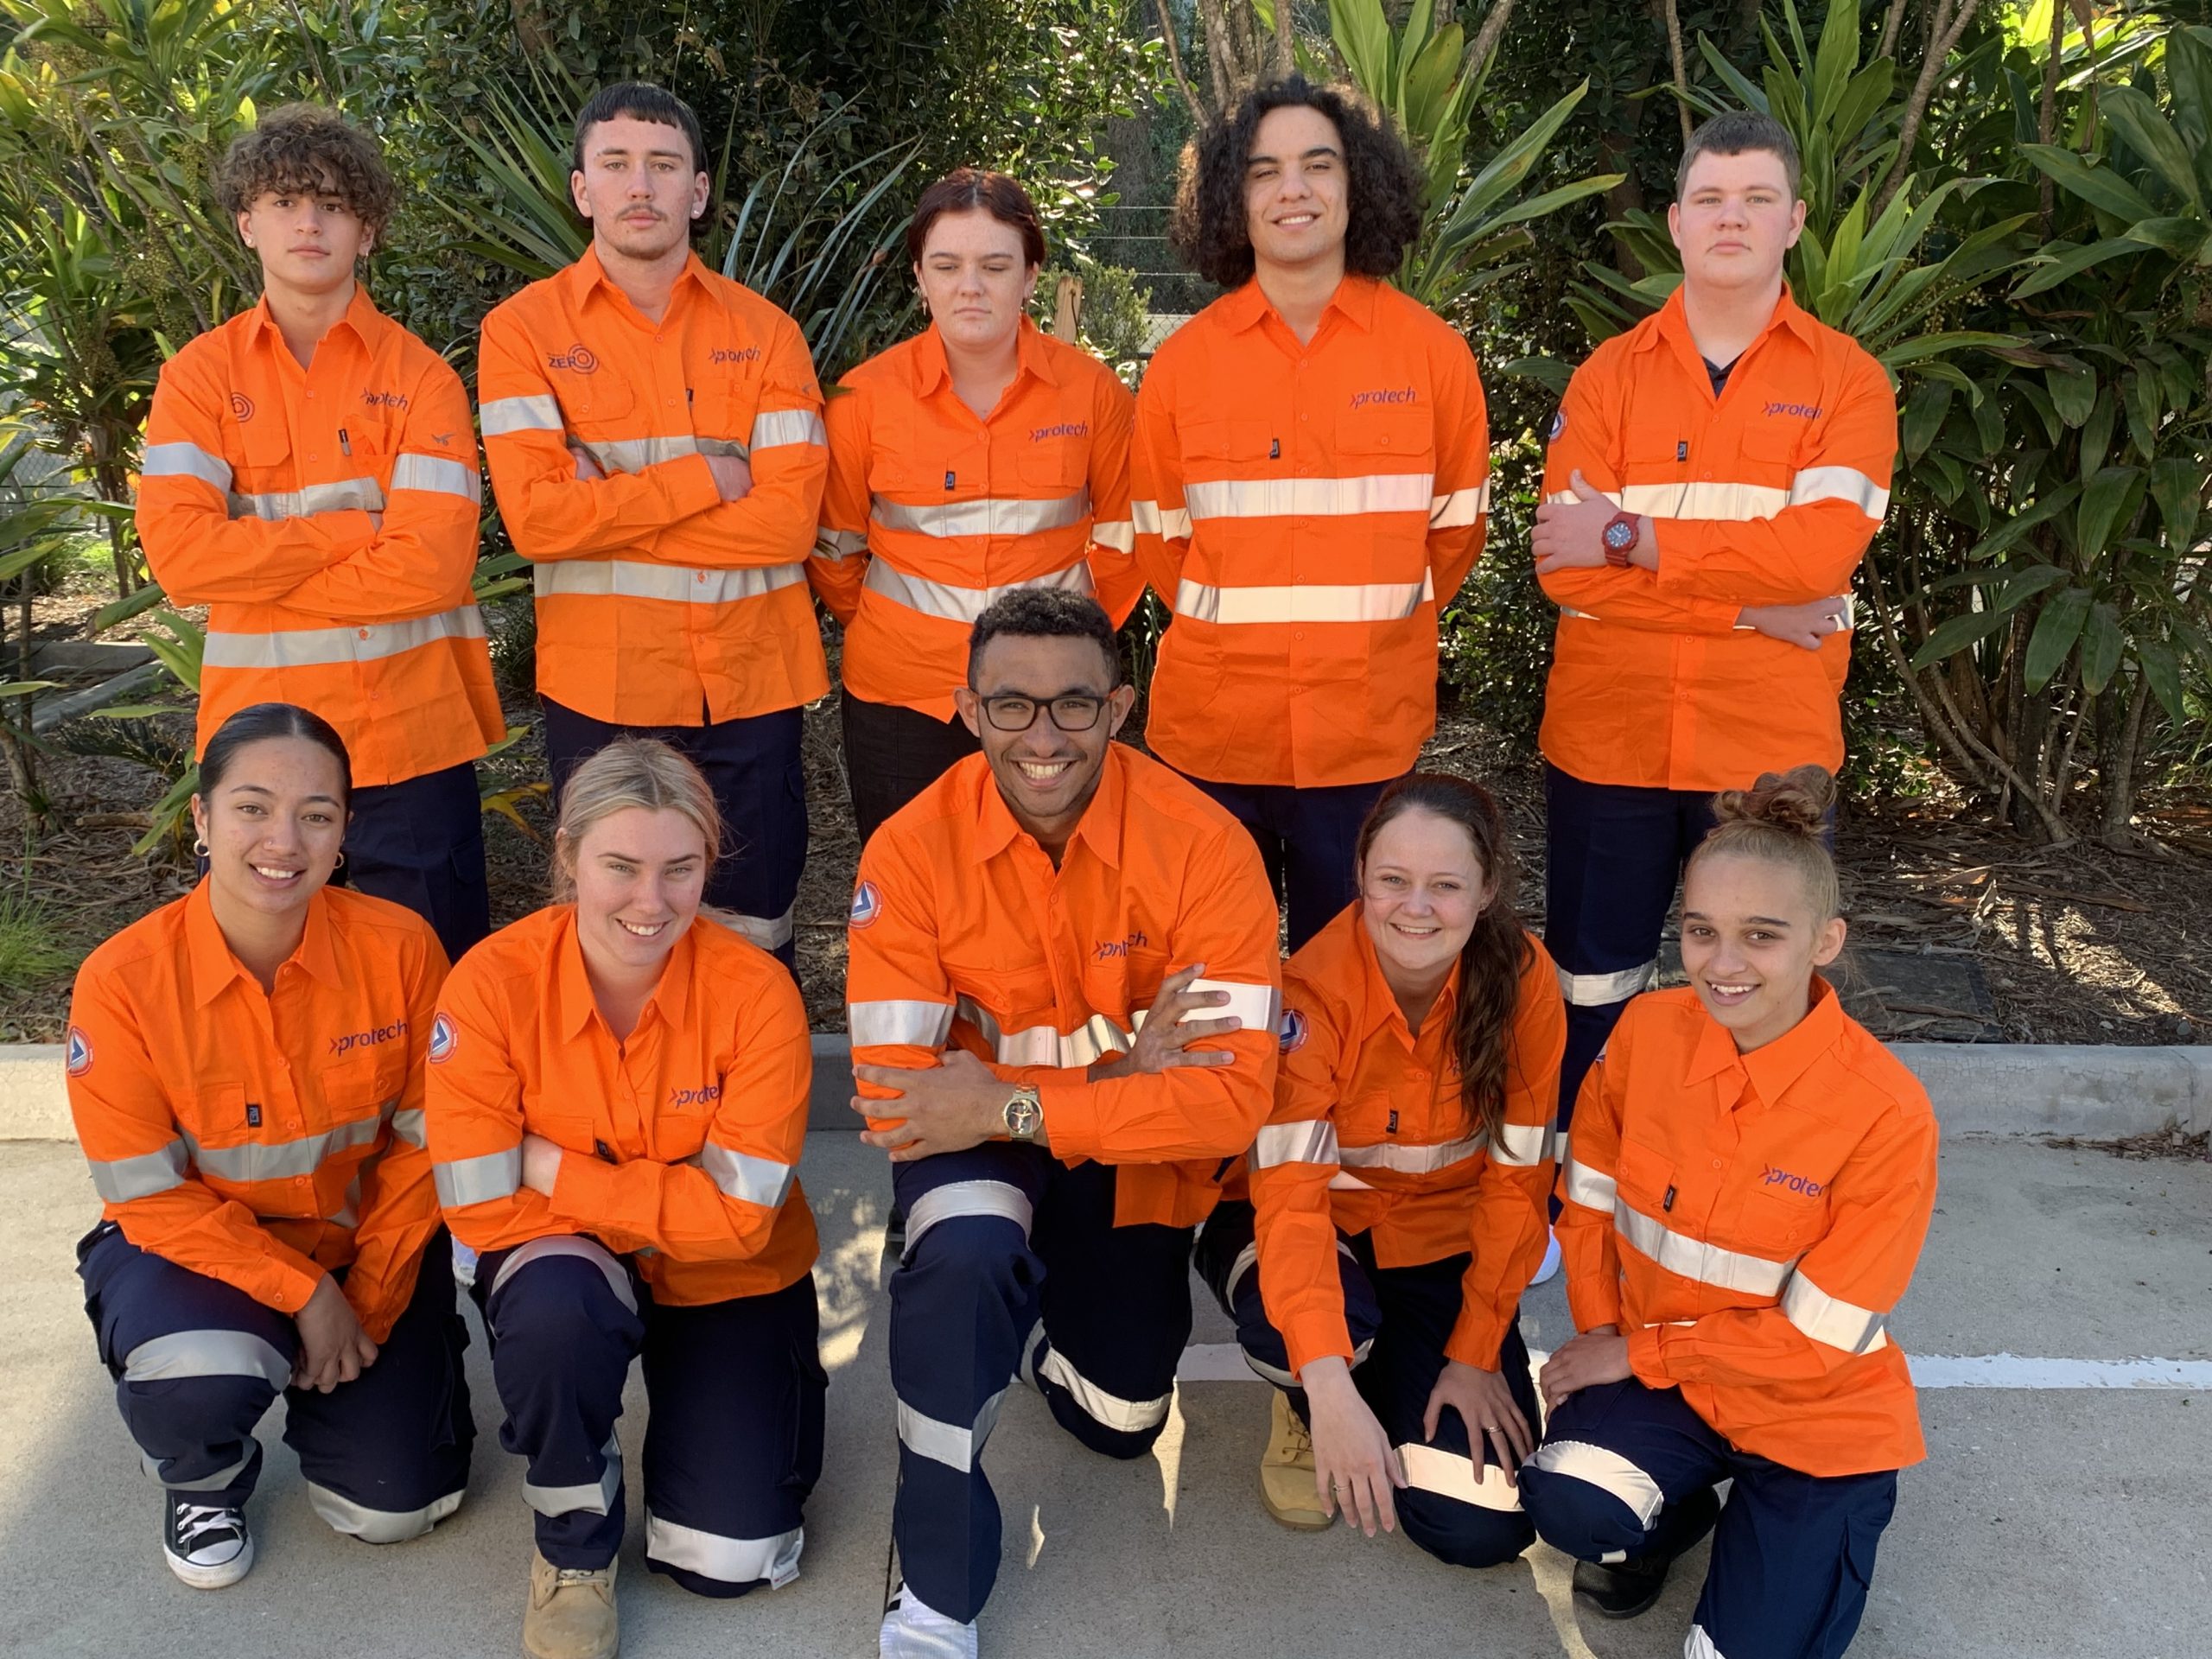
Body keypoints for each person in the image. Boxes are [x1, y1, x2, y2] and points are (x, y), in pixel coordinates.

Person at [846, 588, 1281, 1657]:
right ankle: (937, 1586)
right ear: (966, 708)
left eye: (1075, 706)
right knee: (963, 1262)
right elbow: (905, 1104)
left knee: (1121, 1417)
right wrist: (1121, 1076)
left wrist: (1009, 1099)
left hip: (1091, 1144)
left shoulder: (1208, 847)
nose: (1043, 737)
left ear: (1121, 707)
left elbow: (1231, 1096)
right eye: (1012, 706)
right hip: (1000, 1144)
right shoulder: (908, 852)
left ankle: (1047, 1318)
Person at [1529, 109, 1896, 1172]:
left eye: (1755, 198)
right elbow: (1564, 567)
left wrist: (1634, 537)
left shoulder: (1847, 381)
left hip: (1767, 748)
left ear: (1793, 222)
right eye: (1709, 199)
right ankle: (1582, 1180)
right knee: (1593, 977)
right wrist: (1742, 607)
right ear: (1678, 226)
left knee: (1763, 978)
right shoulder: (1607, 378)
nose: (1730, 217)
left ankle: (1757, 1179)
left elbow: (1815, 561)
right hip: (1610, 737)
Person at [1518, 766, 1937, 1659]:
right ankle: (1668, 1517)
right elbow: (1586, 1212)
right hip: (1670, 1385)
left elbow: (1821, 1340)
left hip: (1811, 1414)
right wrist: (1607, 1348)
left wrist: (1637, 1352)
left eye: (1761, 936)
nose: (1722, 963)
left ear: (1825, 941)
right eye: (1701, 932)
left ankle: (1789, 1529)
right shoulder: (1646, 1034)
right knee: (1571, 1494)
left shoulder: (1884, 1112)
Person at [425, 736, 823, 1659]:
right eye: (621, 867)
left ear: (708, 865)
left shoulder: (758, 995)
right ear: (567, 856)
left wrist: (555, 1168)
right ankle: (572, 1549)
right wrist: (646, 1211)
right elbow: (481, 1210)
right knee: (559, 1312)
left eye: (680, 869)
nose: (651, 902)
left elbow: (738, 1221)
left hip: (728, 1276)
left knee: (730, 1557)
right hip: (567, 1269)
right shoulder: (489, 984)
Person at [67, 702, 473, 1589]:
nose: (282, 839)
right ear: (203, 819)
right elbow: (147, 1194)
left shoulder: (403, 950)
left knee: (397, 1506)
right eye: (252, 807)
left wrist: (363, 1295)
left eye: (315, 814)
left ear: (342, 834)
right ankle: (201, 1474)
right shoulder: (123, 982)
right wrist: (303, 1293)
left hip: (368, 1256)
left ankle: (311, 1368)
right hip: (197, 1259)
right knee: (196, 1374)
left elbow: (427, 1145)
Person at [1132, 75, 1491, 951]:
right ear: (1231, 198)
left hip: (1362, 740)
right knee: (1214, 978)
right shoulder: (1181, 368)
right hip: (1214, 739)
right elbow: (1159, 546)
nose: (1292, 189)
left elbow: (1452, 537)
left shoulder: (1432, 358)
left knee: (1354, 986)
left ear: (1356, 183)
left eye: (1316, 165)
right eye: (1263, 171)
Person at [137, 105, 504, 962]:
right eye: (286, 201)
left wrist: (260, 561)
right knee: (266, 986)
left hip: (409, 739)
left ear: (366, 231)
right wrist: (348, 531)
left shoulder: (422, 379)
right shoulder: (197, 379)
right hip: (262, 754)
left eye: (334, 205)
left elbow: (432, 571)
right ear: (246, 223)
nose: (309, 222)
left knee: (432, 983)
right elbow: (183, 560)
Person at [478, 81, 829, 967]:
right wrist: (708, 476)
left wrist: (611, 501)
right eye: (617, 164)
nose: (641, 186)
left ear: (698, 193)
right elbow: (538, 521)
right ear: (581, 189)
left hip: (750, 685)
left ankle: (751, 1103)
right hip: (604, 690)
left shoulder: (769, 335)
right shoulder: (521, 334)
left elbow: (787, 527)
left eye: (664, 166)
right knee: (616, 931)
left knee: (752, 928)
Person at [1197, 772, 1563, 1567]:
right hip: (1314, 1232)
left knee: (1481, 1527)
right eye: (1393, 881)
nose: (1415, 907)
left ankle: (1378, 1370)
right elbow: (1290, 1202)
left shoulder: (1526, 983)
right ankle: (1309, 1398)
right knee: (1317, 1333)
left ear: (1488, 888)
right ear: (1359, 873)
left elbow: (1519, 1182)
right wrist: (1327, 1392)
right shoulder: (1310, 996)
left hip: (1438, 1244)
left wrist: (1471, 1355)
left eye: (1445, 885)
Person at [812, 168, 1142, 847]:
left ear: (1029, 277)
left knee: (1055, 880)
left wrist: (1064, 649)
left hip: (1052, 701)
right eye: (947, 264)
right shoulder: (864, 399)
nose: (970, 285)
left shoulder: (1093, 395)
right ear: (919, 276)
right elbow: (835, 551)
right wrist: (902, 632)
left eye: (995, 265)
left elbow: (1126, 544)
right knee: (910, 885)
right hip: (902, 696)